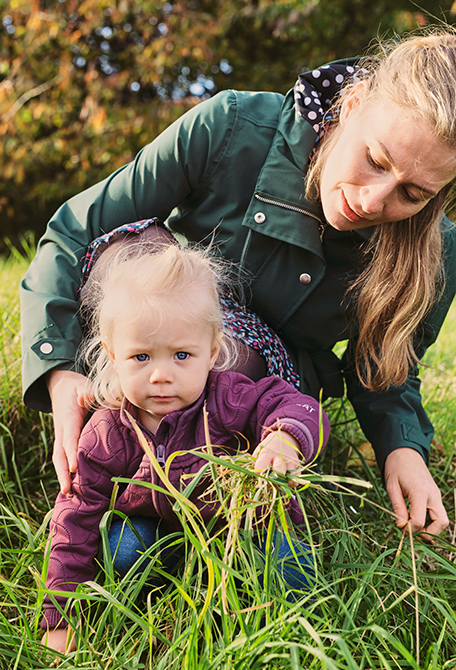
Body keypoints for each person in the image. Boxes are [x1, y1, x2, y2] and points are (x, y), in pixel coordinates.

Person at [21, 30, 456, 538]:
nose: (374, 200)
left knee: (231, 354)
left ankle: (173, 503)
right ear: (352, 103)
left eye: (412, 192)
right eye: (375, 160)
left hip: (266, 391)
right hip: (168, 317)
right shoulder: (230, 126)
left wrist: (402, 448)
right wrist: (57, 372)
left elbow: (386, 365)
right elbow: (78, 230)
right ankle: (114, 452)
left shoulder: (438, 250)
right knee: (130, 252)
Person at [40, 242, 330, 652]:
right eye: (141, 356)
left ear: (211, 352)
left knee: (290, 566)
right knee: (118, 551)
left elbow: (300, 406)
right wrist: (61, 616)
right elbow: (74, 521)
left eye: (181, 355)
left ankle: (287, 627)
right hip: (157, 531)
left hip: (239, 530)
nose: (161, 375)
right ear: (112, 355)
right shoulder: (108, 432)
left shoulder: (228, 399)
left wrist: (285, 437)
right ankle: (175, 581)